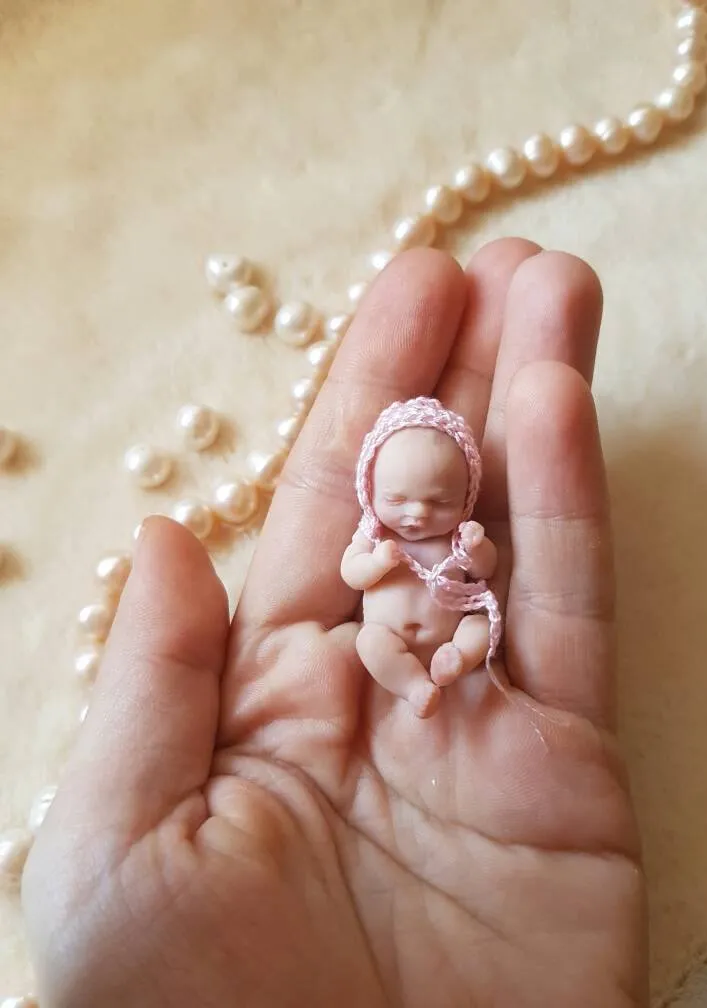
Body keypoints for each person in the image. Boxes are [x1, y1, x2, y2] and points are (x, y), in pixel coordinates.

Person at [22, 239, 648, 1007]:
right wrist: (370, 561)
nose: (419, 513)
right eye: (402, 499)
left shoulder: (455, 540)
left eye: (440, 501)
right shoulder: (374, 542)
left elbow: (483, 580)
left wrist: (477, 548)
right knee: (373, 642)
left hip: (454, 622)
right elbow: (353, 578)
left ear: (466, 493)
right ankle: (417, 682)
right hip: (387, 636)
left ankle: (451, 668)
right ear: (372, 490)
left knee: (482, 635)